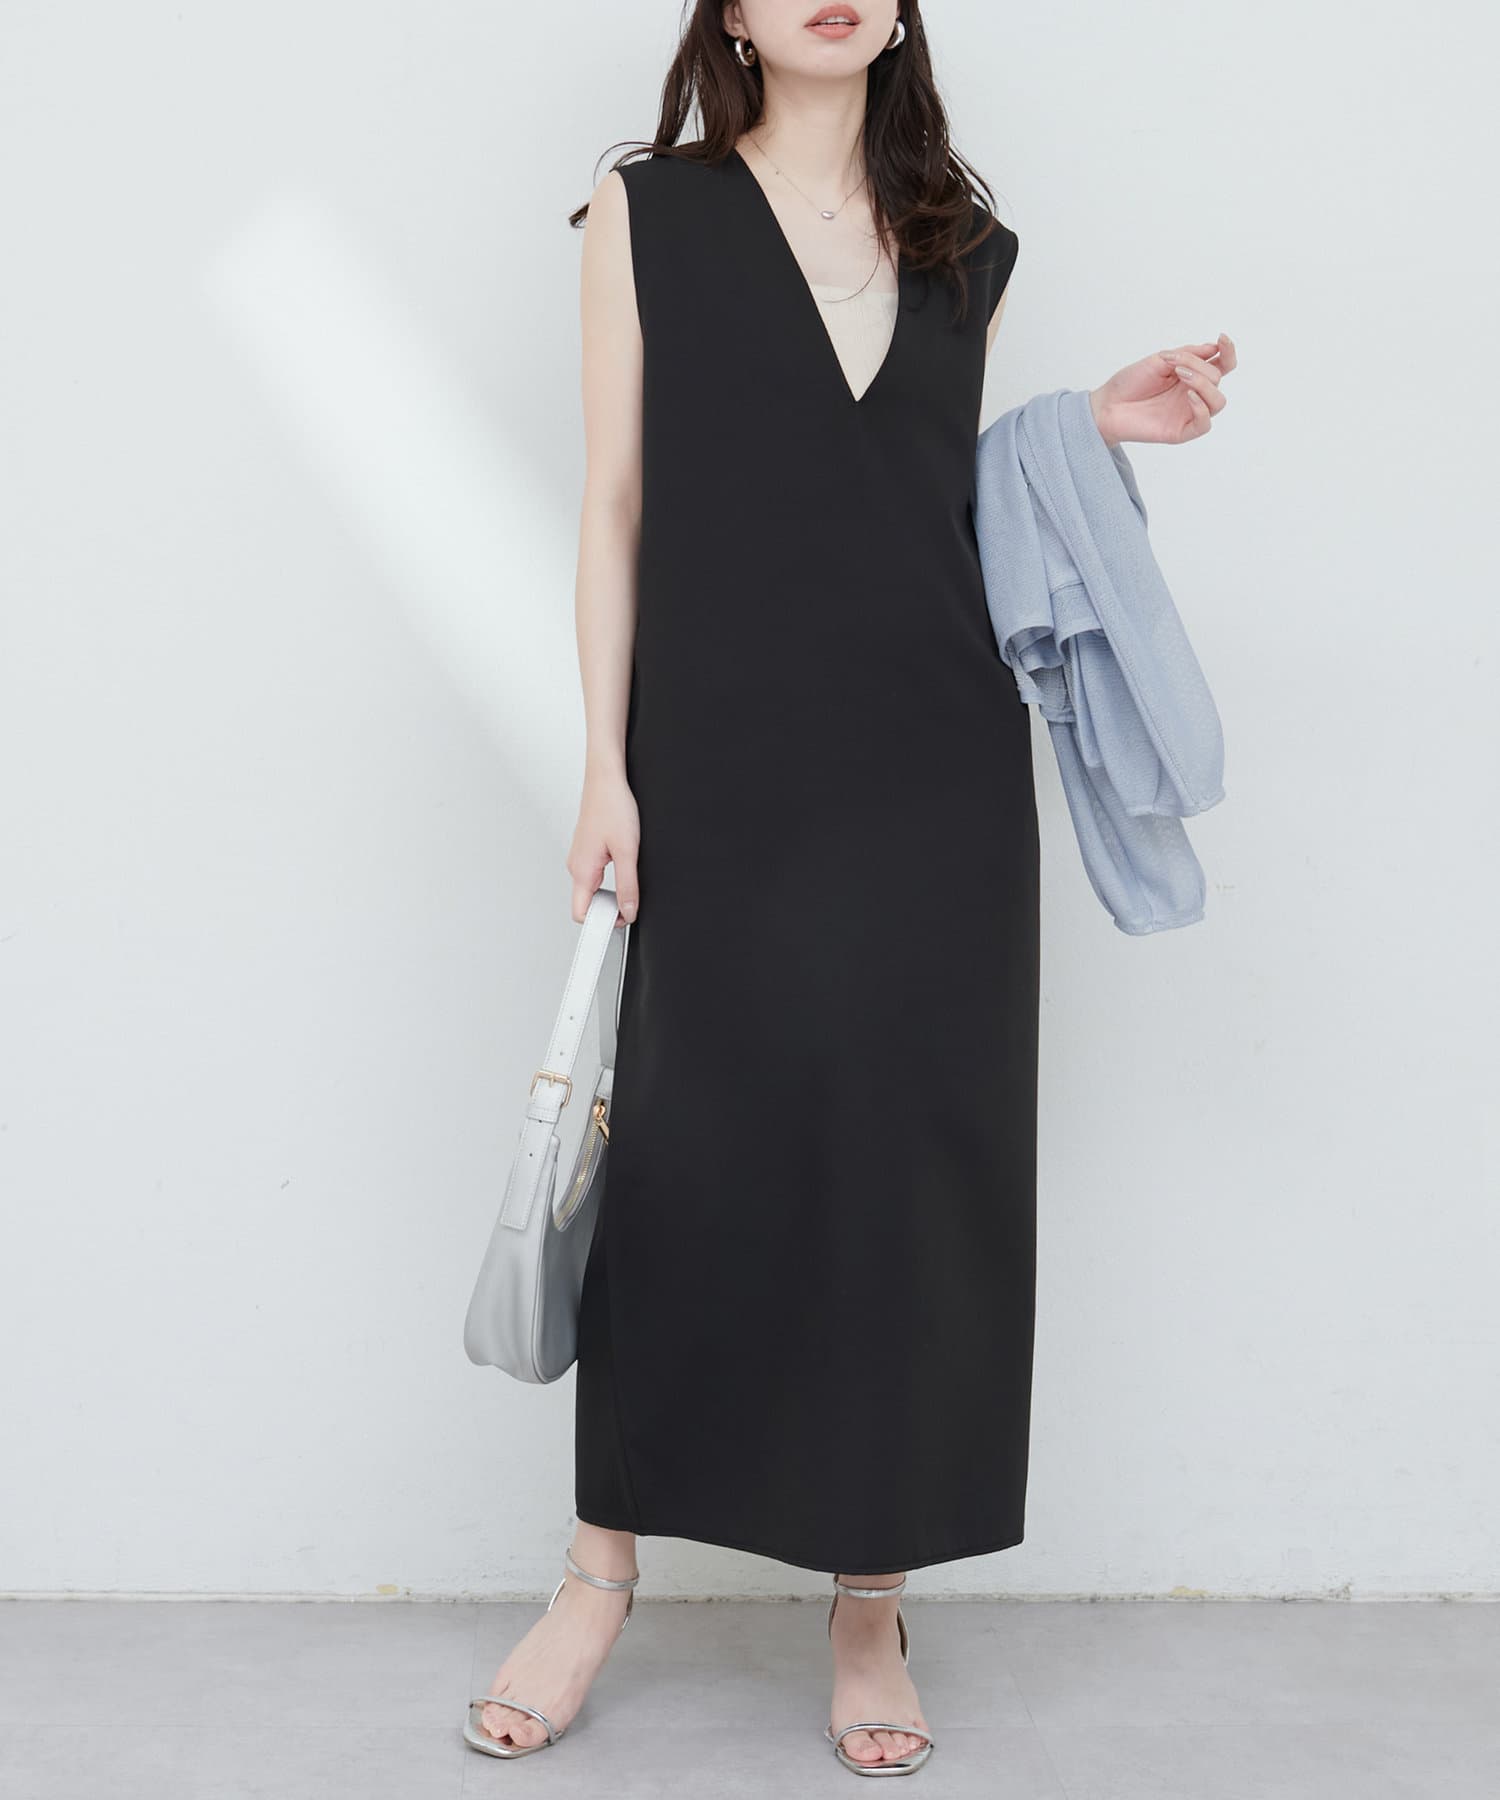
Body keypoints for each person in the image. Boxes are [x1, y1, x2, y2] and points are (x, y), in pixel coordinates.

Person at [467, 0, 1233, 1776]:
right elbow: (616, 505)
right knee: (684, 1154)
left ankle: (871, 1601)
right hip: (719, 764)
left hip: (932, 772)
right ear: (731, 12)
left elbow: (916, 492)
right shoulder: (646, 215)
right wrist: (605, 765)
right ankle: (596, 1577)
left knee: (909, 1169)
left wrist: (1084, 429)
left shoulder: (964, 240)